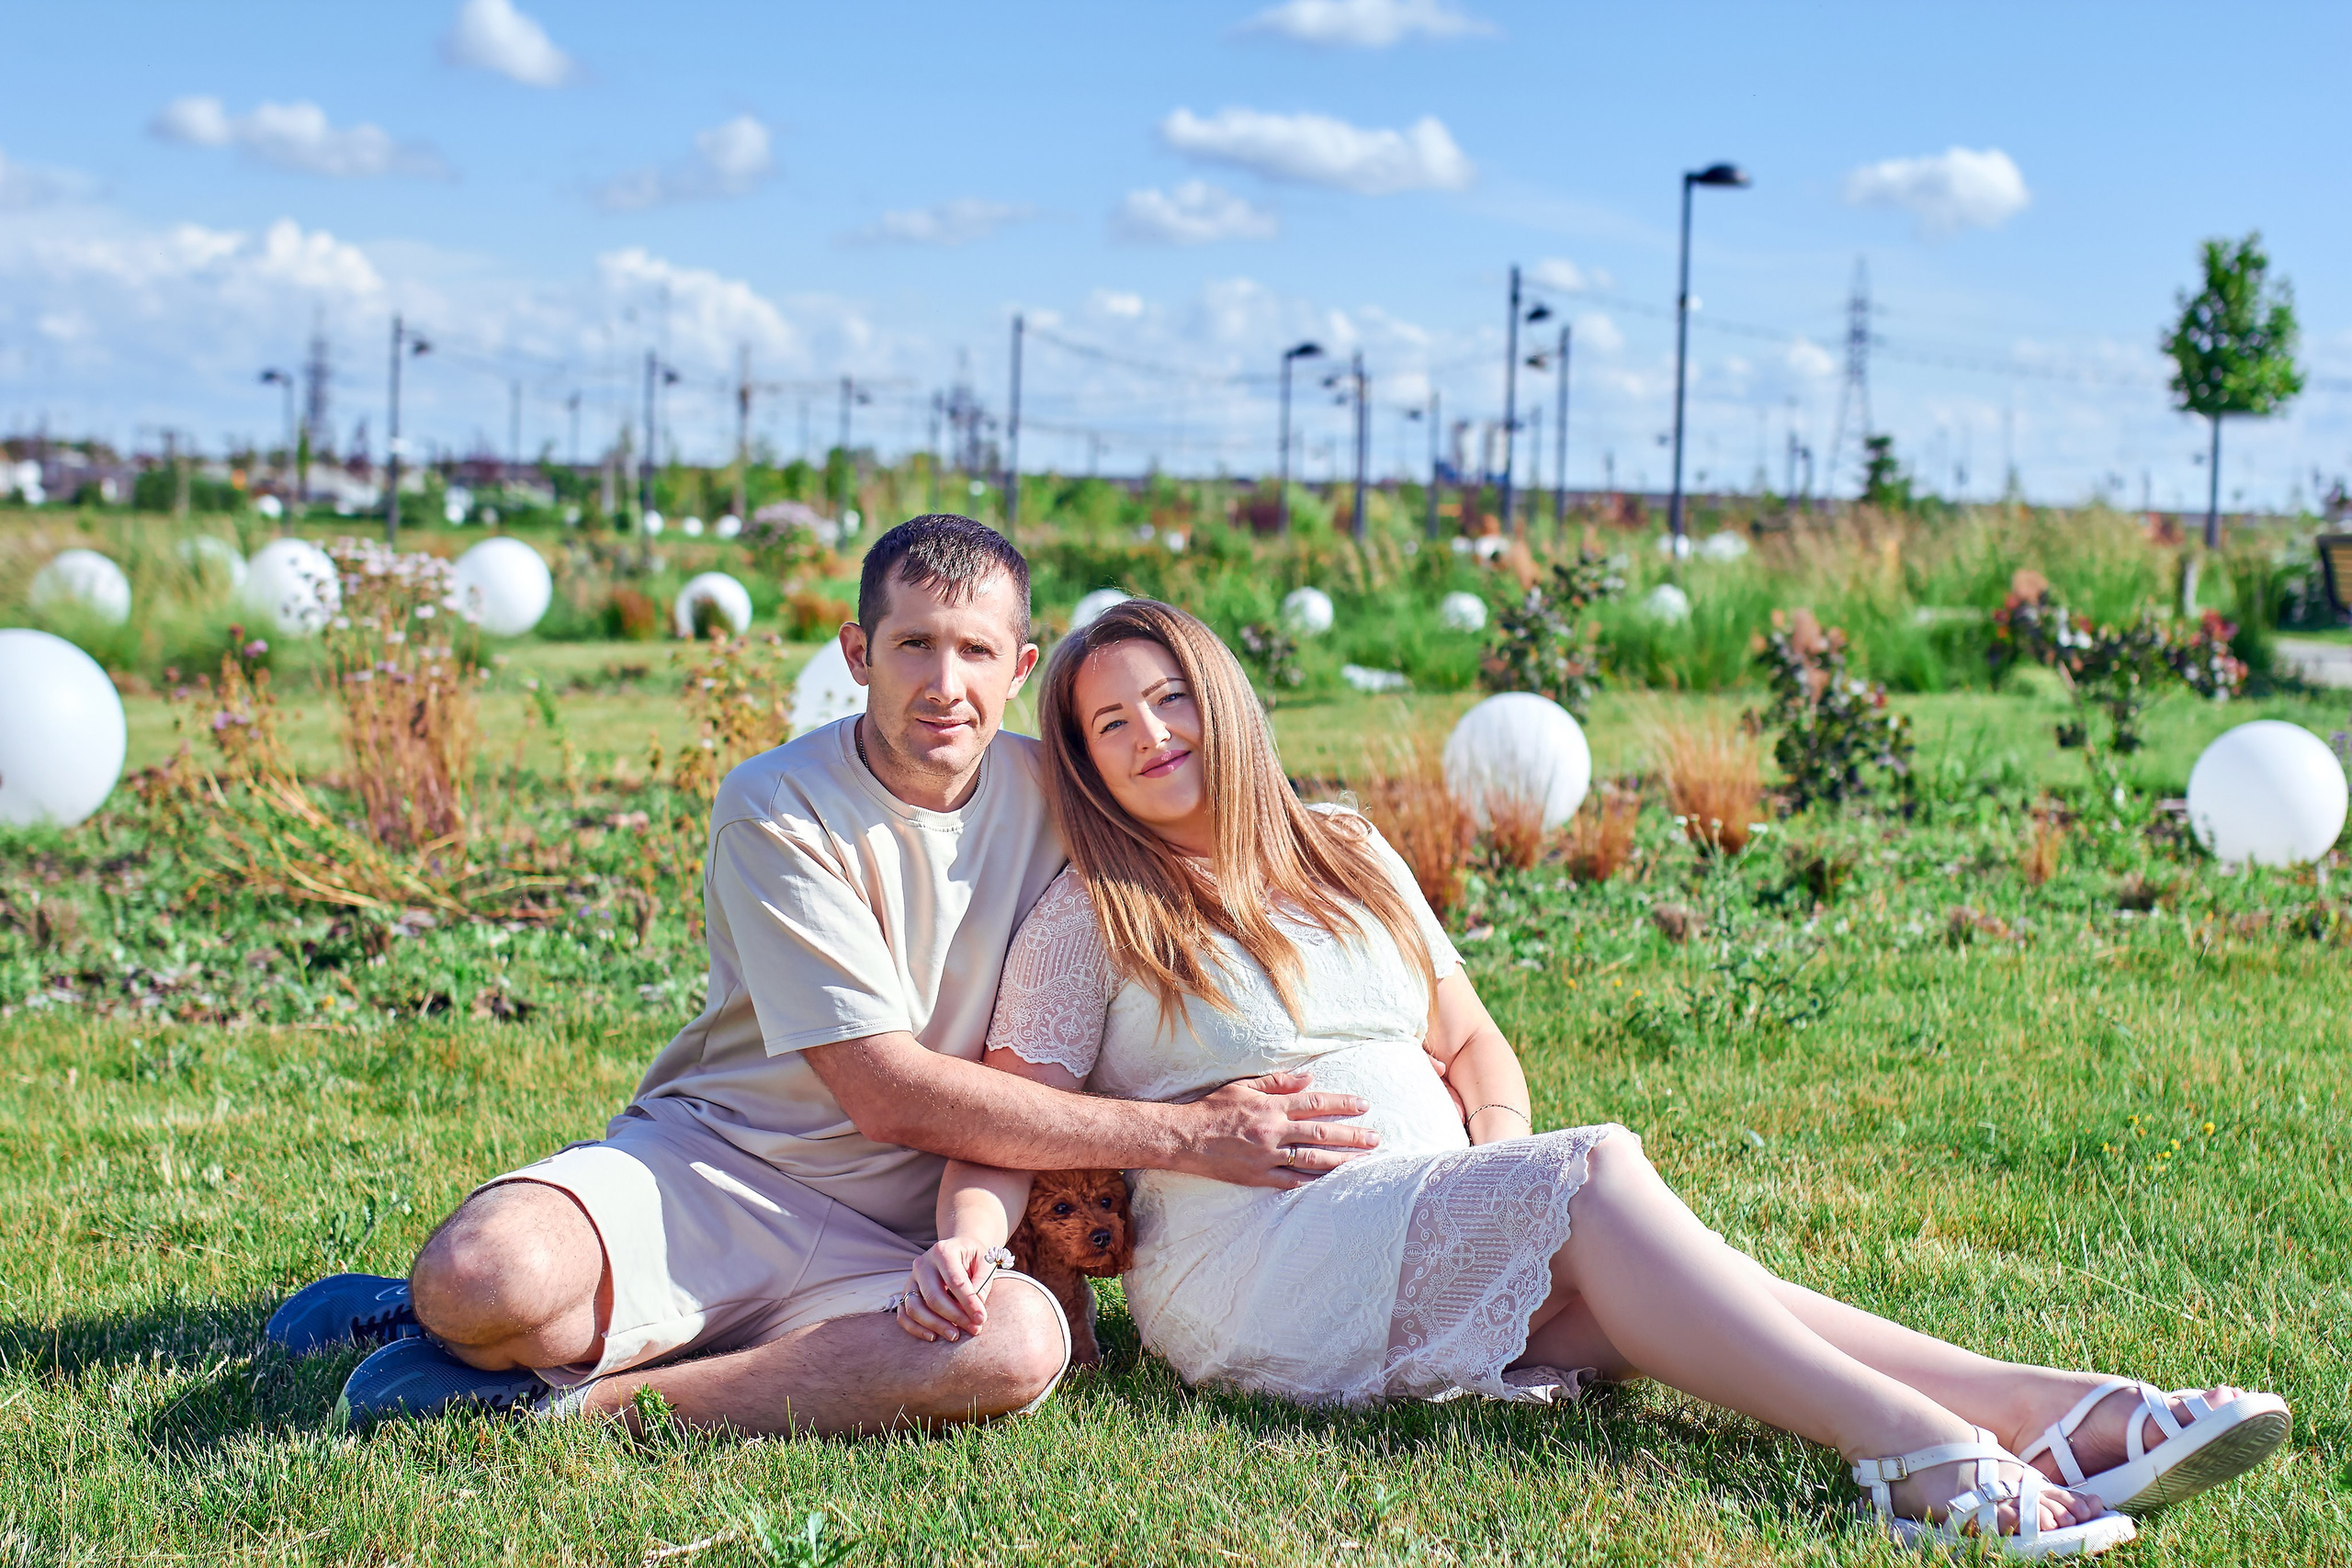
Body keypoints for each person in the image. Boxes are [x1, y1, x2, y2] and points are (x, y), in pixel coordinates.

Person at [895, 598, 2290, 1556]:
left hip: (1419, 1209)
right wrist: (971, 1243)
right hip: (1259, 1263)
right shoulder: (1095, 910)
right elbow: (1009, 1114)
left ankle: (2049, 1407)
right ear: (1081, 759)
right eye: (1109, 727)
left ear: (1224, 697)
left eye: (1168, 698)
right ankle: (1928, 1452)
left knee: (1650, 1255)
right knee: (1601, 1177)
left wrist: (1490, 1160)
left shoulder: (1346, 847)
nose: (1150, 737)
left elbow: (1473, 1038)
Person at [265, 517, 1385, 1437]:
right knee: (486, 1277)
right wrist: (1190, 1135)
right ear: (858, 654)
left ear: (1020, 669)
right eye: (913, 646)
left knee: (1020, 1344)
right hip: (720, 1168)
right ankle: (432, 1317)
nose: (945, 684)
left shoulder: (1065, 795)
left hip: (912, 1236)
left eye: (977, 652)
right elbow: (883, 1091)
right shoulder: (775, 805)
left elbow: (1213, 860)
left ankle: (583, 1407)